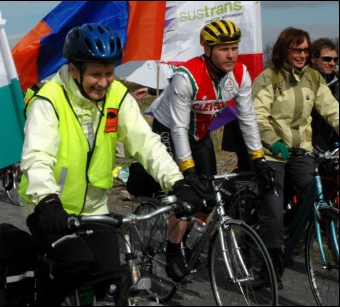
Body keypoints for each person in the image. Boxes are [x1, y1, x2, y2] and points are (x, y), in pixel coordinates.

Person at [18, 23, 201, 306]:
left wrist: (176, 182)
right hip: (50, 208)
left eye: (109, 73)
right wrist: (47, 201)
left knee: (112, 276)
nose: (103, 83)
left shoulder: (117, 96)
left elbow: (146, 143)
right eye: (95, 74)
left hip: (95, 209)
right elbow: (37, 156)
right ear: (75, 70)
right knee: (78, 263)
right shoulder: (50, 100)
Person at [148, 19, 271, 284]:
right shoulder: (186, 76)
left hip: (200, 134)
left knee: (209, 196)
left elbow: (247, 119)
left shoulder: (240, 74)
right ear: (207, 50)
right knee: (187, 194)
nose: (231, 55)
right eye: (223, 49)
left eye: (234, 48)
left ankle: (187, 244)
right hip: (169, 128)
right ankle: (172, 253)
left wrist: (258, 157)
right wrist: (187, 170)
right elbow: (180, 128)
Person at [252, 27, 339, 289]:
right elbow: (257, 116)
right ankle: (268, 264)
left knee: (315, 197)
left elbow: (332, 110)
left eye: (305, 50)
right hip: (272, 153)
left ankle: (293, 237)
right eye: (296, 49)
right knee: (274, 215)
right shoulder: (269, 78)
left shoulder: (313, 77)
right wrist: (273, 140)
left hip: (302, 151)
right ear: (284, 50)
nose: (302, 54)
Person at [310, 38, 339, 152]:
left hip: (333, 140)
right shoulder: (301, 83)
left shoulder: (337, 82)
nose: (332, 63)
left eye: (335, 59)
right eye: (327, 59)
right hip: (309, 143)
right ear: (313, 58)